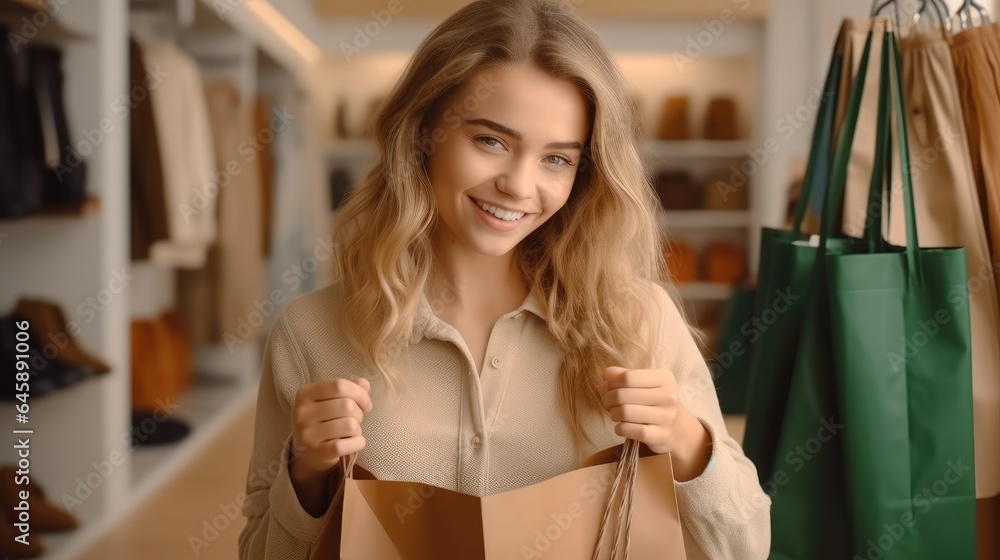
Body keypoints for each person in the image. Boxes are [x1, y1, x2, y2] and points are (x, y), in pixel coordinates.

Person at [238, 1, 771, 558]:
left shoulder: (641, 320)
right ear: (425, 131)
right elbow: (257, 550)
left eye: (557, 160)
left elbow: (747, 545)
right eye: (491, 141)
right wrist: (305, 477)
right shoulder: (309, 332)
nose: (520, 186)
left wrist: (687, 442)